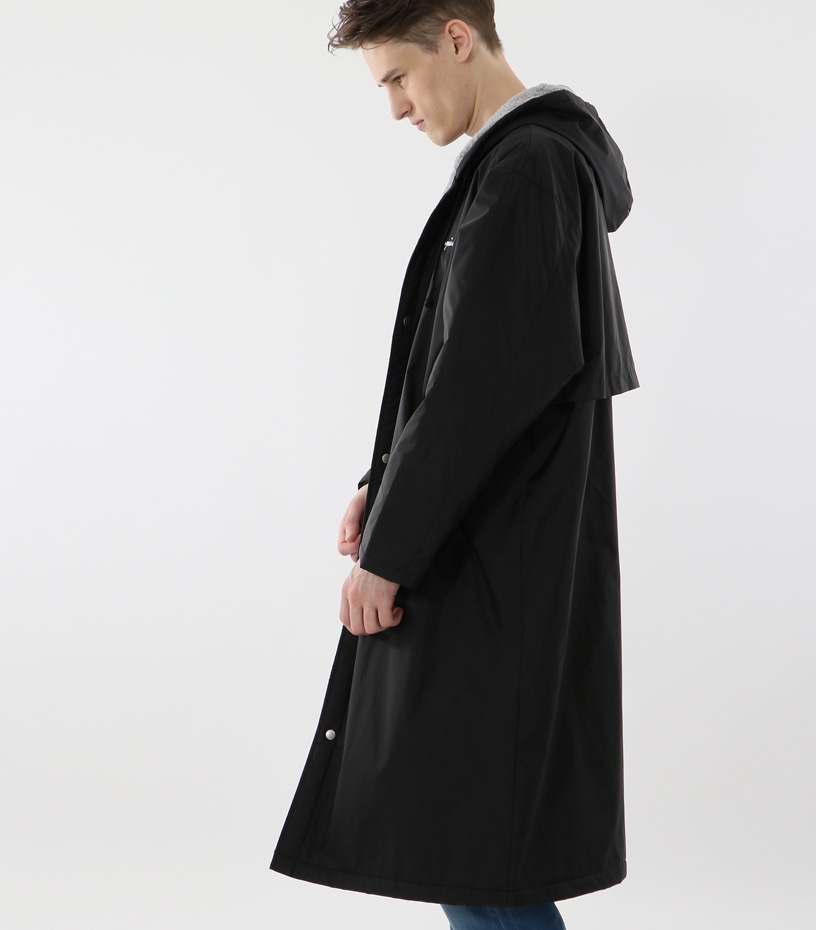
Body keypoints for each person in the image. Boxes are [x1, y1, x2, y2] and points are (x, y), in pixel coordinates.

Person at [270, 3, 638, 928]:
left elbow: (478, 390)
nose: (396, 106)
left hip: (488, 577)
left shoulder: (527, 169)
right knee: (466, 853)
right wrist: (382, 483)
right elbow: (483, 369)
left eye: (398, 76)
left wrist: (389, 553)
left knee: (473, 858)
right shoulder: (528, 166)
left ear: (458, 37)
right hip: (495, 565)